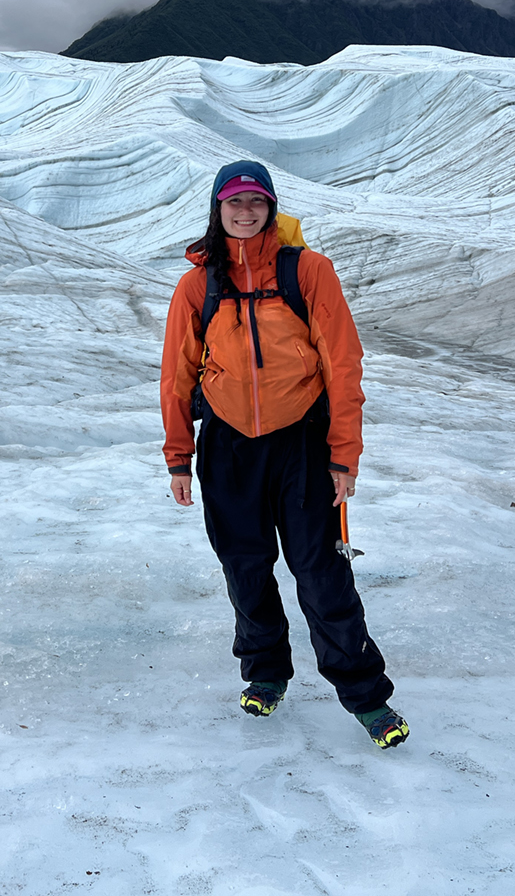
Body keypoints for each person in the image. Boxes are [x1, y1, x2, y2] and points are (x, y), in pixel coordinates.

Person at [161, 160, 408, 749]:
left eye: (255, 202)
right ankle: (266, 671)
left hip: (301, 441)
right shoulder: (198, 283)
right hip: (226, 446)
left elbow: (343, 365)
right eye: (233, 203)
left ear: (271, 207)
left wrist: (343, 456)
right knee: (245, 568)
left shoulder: (310, 271)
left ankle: (366, 697)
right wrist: (179, 457)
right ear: (217, 210)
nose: (244, 213)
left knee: (321, 572)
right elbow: (176, 375)